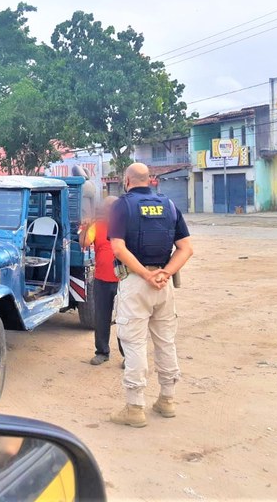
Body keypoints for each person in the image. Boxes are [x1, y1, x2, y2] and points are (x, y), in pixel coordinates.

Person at [107, 163, 193, 428]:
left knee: (133, 344)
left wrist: (145, 275)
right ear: (151, 180)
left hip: (136, 283)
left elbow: (118, 248)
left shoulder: (122, 205)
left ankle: (135, 408)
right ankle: (167, 400)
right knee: (165, 341)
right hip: (163, 286)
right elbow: (186, 248)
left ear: (127, 180)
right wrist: (164, 273)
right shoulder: (169, 205)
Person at [79, 196, 123, 366]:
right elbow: (84, 242)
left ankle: (127, 355)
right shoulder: (97, 225)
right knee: (101, 318)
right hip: (102, 280)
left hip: (124, 280)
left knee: (125, 319)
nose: (109, 211)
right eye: (106, 208)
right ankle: (102, 352)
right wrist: (86, 226)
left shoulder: (127, 224)